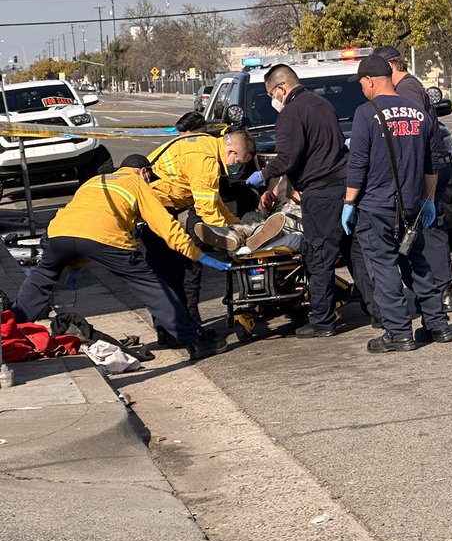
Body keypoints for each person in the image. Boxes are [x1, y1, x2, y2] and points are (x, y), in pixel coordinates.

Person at [12, 154, 228, 360]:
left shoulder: (93, 181)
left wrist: (74, 264)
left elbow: (85, 225)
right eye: (149, 178)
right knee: (151, 286)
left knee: (41, 277)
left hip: (59, 233)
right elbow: (165, 225)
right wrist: (197, 254)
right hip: (106, 238)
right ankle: (194, 341)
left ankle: (11, 330)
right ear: (144, 172)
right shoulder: (137, 183)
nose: (150, 181)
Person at [343, 54, 447, 353]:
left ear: (371, 80)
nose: (361, 88)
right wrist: (427, 201)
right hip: (412, 206)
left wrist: (349, 202)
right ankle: (437, 325)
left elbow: (358, 163)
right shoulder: (418, 111)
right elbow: (431, 164)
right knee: (418, 264)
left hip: (377, 207)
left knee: (384, 267)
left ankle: (398, 333)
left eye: (361, 82)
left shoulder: (366, 113)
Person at [142, 130, 277, 339]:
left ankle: (180, 327)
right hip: (153, 208)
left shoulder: (206, 143)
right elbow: (207, 210)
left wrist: (235, 223)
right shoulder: (206, 162)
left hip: (157, 205)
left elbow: (215, 202)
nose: (238, 166)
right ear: (231, 152)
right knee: (176, 270)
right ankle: (175, 332)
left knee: (178, 268)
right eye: (239, 161)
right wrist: (230, 234)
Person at [250, 64, 348, 338]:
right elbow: (322, 149)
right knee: (355, 251)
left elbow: (288, 158)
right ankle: (377, 310)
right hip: (343, 187)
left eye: (271, 92)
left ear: (281, 88)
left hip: (319, 192)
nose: (273, 99)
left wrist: (263, 174)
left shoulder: (291, 114)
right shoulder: (322, 104)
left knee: (317, 257)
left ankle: (322, 321)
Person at [372, 45, 452, 312]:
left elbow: (414, 132)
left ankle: (440, 292)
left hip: (427, 166)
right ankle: (437, 291)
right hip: (426, 165)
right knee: (426, 228)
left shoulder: (406, 89)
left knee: (428, 230)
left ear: (391, 66)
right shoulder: (409, 86)